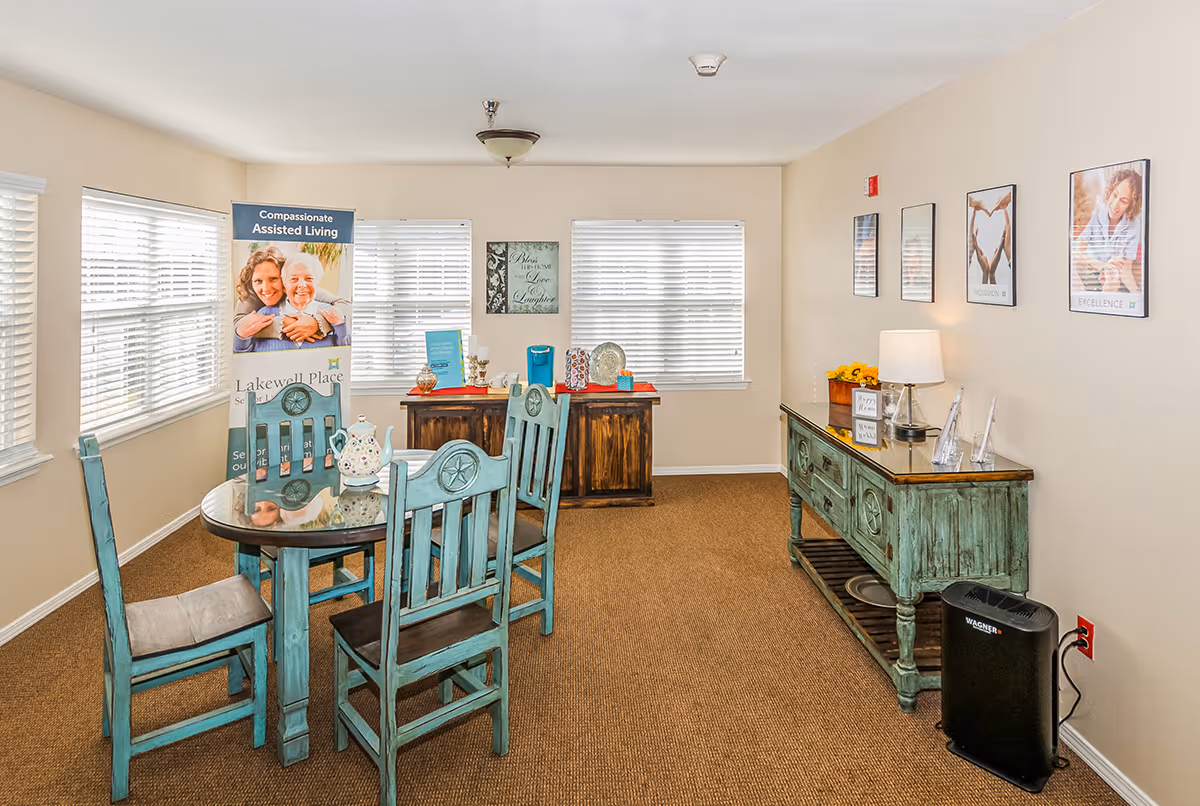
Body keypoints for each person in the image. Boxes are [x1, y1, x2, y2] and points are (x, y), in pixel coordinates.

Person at [233, 246, 351, 347]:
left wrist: (317, 322)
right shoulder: (250, 295)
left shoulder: (302, 289)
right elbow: (238, 328)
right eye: (258, 281)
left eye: (273, 279)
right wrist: (283, 323)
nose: (266, 288)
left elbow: (346, 306)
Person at [1072, 168, 1144, 293]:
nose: (1115, 205)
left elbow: (1126, 271)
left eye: (1123, 201)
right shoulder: (1093, 211)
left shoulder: (1133, 225)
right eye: (1114, 195)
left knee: (1128, 277)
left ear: (1131, 204)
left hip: (1110, 274)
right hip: (1088, 268)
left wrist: (1138, 296)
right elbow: (1078, 254)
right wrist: (1103, 265)